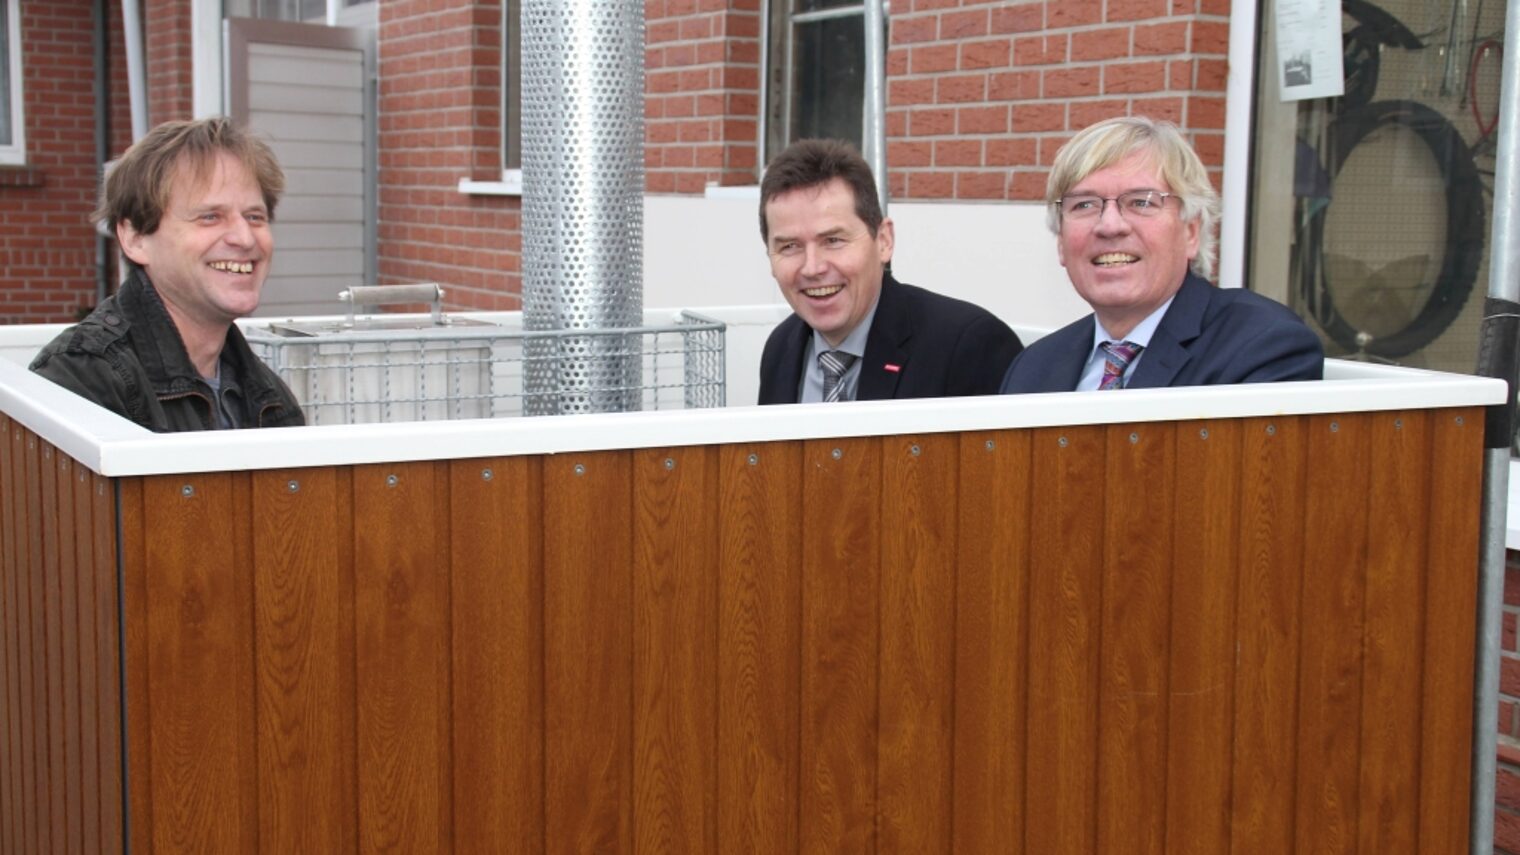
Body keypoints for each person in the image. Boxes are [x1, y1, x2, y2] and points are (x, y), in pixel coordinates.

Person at [1000, 116, 1323, 394]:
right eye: (1084, 204)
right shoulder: (1034, 367)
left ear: (1191, 232)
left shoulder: (1262, 347)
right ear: (1061, 243)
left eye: (1141, 202)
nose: (1110, 225)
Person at [32, 117, 303, 431]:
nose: (244, 238)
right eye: (210, 217)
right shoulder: (82, 380)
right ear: (135, 238)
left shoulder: (269, 396)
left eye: (255, 216)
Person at [757, 139, 1023, 404]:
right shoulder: (781, 350)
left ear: (884, 241)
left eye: (833, 240)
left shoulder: (970, 348)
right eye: (790, 246)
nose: (813, 267)